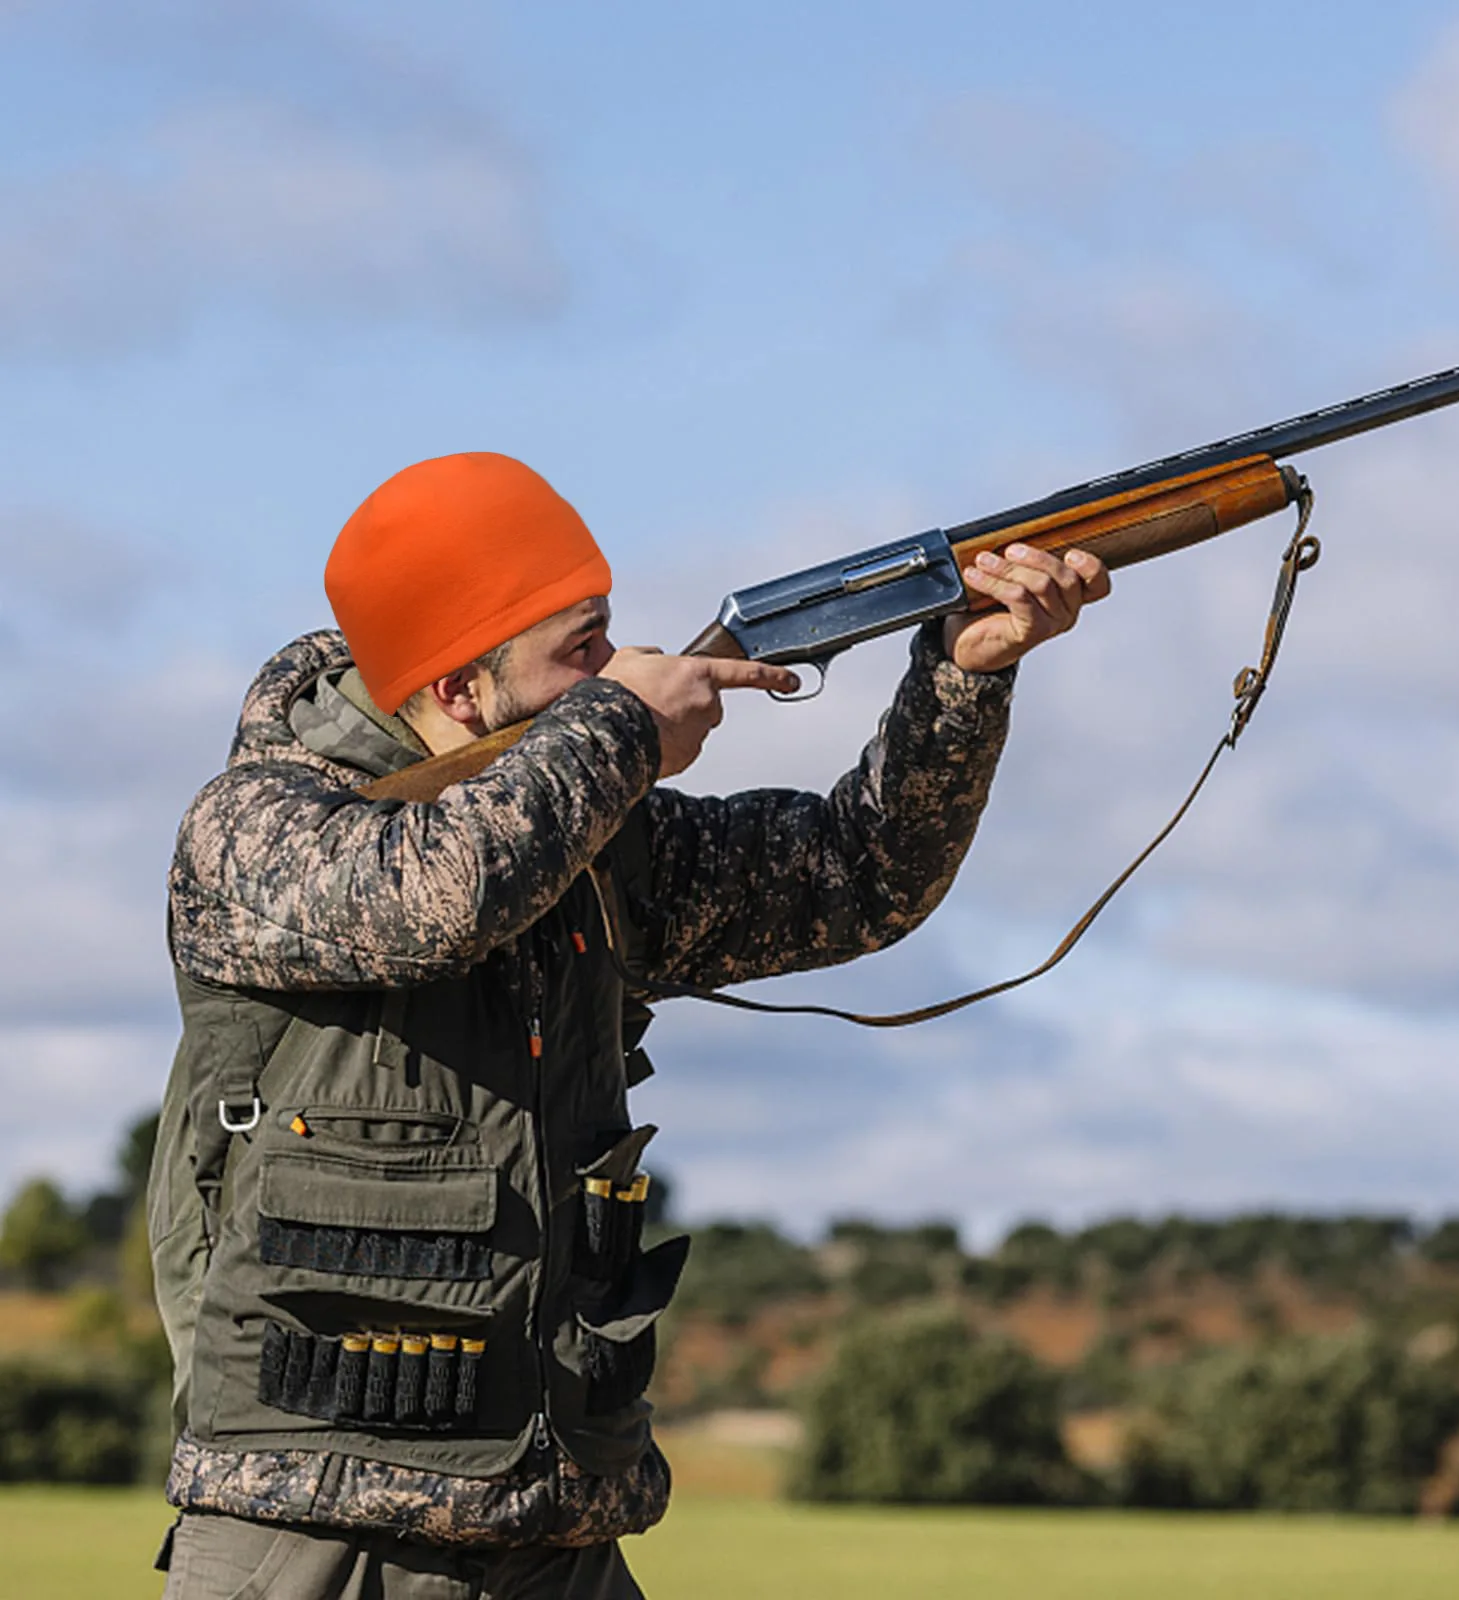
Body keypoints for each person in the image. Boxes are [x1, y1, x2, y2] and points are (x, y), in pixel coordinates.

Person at [148, 451, 1109, 1598]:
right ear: (459, 691)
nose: (617, 668)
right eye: (582, 649)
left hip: (556, 1524)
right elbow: (432, 899)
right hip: (314, 1535)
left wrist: (959, 677)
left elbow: (856, 877)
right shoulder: (254, 826)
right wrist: (623, 729)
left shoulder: (586, 833)